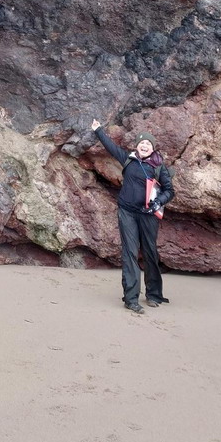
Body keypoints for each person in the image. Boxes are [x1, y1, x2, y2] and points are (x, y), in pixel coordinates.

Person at [82, 118, 174, 314]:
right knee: (130, 253)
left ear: (153, 149)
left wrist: (159, 202)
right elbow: (111, 147)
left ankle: (154, 294)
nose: (145, 145)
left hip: (148, 214)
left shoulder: (159, 167)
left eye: (148, 144)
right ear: (137, 146)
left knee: (150, 252)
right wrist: (98, 130)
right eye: (142, 143)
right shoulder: (128, 159)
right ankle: (131, 298)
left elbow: (169, 190)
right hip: (127, 212)